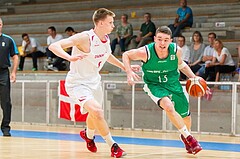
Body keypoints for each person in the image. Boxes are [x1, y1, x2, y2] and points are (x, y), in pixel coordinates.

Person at [48, 8, 137, 158]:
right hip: (77, 84)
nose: (113, 25)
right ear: (101, 23)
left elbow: (107, 56)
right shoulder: (84, 38)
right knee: (97, 111)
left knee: (94, 113)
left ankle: (88, 135)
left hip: (94, 82)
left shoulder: (106, 38)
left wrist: (125, 67)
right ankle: (113, 146)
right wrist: (69, 58)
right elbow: (54, 46)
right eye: (110, 22)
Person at [122, 26, 203, 155]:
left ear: (171, 40)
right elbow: (126, 55)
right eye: (159, 39)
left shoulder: (177, 51)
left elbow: (181, 65)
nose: (162, 43)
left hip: (173, 83)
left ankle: (185, 135)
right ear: (154, 39)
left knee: (185, 116)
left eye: (166, 40)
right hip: (154, 84)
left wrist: (194, 78)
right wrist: (129, 71)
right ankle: (189, 138)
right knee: (168, 106)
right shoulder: (146, 52)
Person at [0, 17, 19, 137]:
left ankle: (5, 128)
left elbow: (15, 56)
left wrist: (14, 72)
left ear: (2, 25)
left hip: (3, 73)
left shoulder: (8, 40)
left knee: (6, 102)